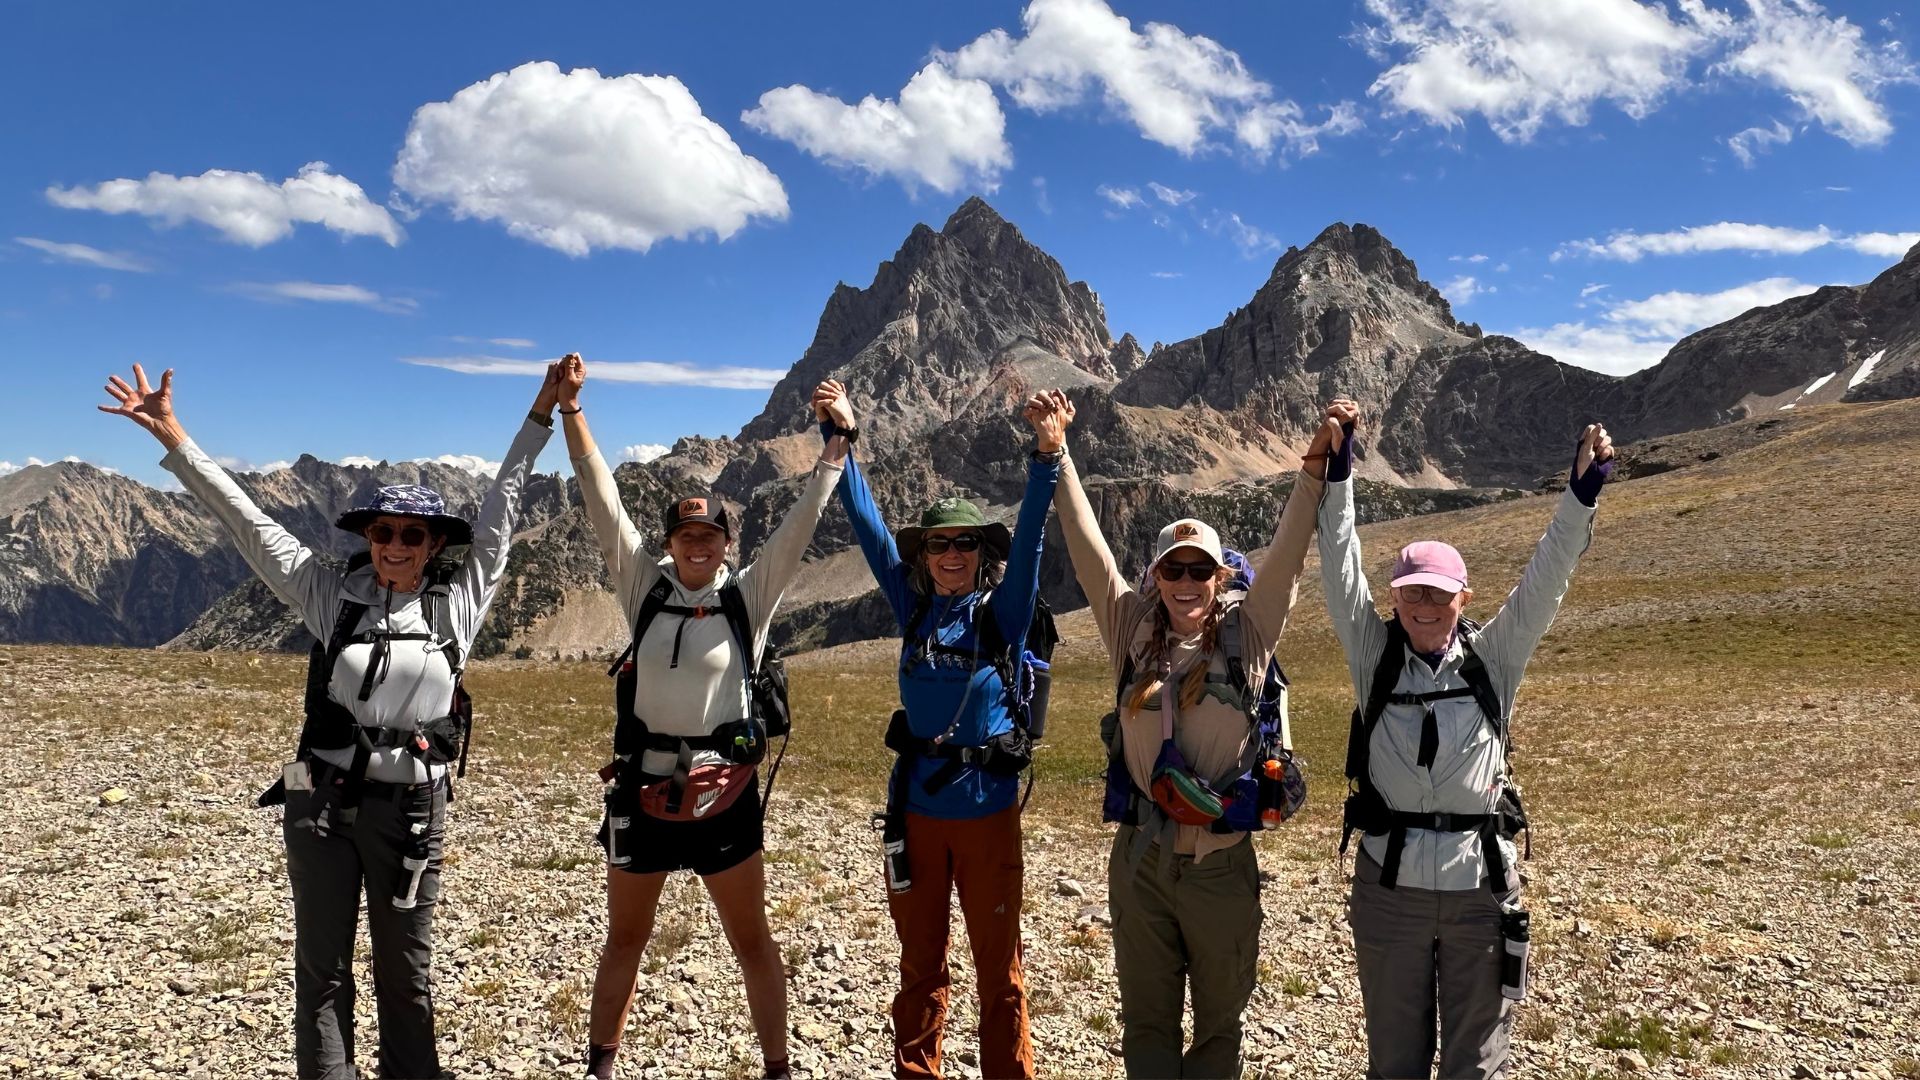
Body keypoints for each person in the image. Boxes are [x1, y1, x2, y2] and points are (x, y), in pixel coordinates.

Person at [99, 361, 557, 1079]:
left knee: (407, 976)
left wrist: (539, 415)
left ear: (435, 543)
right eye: (384, 530)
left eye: (413, 533)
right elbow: (248, 525)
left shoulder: (456, 606)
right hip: (320, 803)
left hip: (411, 806)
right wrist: (175, 438)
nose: (396, 545)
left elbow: (502, 510)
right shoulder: (328, 594)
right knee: (322, 975)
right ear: (368, 534)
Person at [558, 354, 848, 1080]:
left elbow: (800, 526)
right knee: (625, 938)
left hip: (727, 793)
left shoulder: (747, 599)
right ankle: (600, 1065)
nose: (697, 544)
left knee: (752, 939)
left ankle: (777, 1067)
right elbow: (601, 503)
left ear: (727, 543)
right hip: (643, 789)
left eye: (710, 535)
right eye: (685, 535)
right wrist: (571, 412)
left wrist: (835, 453)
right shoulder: (642, 589)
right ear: (668, 543)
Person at [1043, 388, 1337, 1078]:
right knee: (1145, 1025)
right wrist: (1057, 455)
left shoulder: (1249, 633)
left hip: (1221, 867)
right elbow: (1088, 552)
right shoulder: (1130, 629)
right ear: (1155, 576)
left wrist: (1315, 470)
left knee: (1217, 1032)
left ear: (1220, 576)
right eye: (1171, 570)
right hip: (1140, 863)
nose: (1185, 581)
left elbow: (1291, 553)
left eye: (1199, 570)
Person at [1318, 402, 1614, 1080]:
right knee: (1394, 1061)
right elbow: (1338, 570)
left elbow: (1547, 580)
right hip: (1388, 890)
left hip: (1481, 889)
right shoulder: (1374, 655)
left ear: (1463, 597)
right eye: (1410, 593)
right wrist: (1339, 475)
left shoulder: (1495, 657)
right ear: (1393, 599)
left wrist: (1581, 494)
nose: (1424, 606)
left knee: (1475, 1064)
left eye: (1439, 594)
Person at [821, 377, 1059, 1080]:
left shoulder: (1004, 612)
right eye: (937, 545)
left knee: (998, 970)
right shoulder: (914, 606)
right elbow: (865, 525)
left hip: (987, 812)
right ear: (923, 556)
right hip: (918, 808)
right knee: (921, 963)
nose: (951, 555)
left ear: (982, 554)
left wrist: (1047, 457)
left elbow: (1036, 538)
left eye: (963, 544)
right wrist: (842, 439)